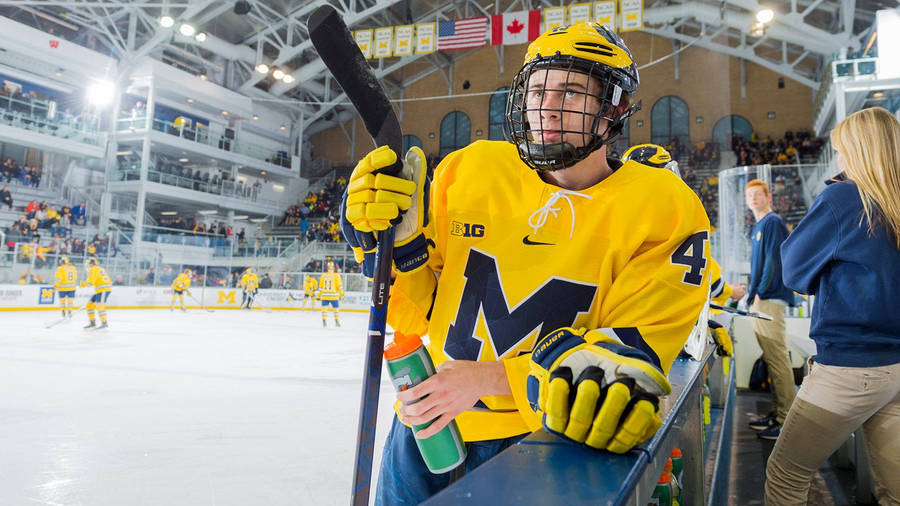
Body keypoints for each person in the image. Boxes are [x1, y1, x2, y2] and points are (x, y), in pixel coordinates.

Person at [341, 22, 711, 504]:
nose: (547, 108)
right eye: (537, 89)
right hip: (425, 428)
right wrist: (389, 248)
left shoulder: (664, 208)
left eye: (572, 90)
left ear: (615, 108)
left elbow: (620, 363)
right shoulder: (471, 169)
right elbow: (416, 313)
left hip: (545, 444)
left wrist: (487, 380)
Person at [765, 107, 900, 505]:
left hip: (850, 369)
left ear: (856, 153)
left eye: (842, 151)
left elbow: (792, 269)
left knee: (786, 473)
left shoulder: (843, 198)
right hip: (896, 368)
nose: (838, 160)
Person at [744, 178, 797, 439]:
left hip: (769, 299)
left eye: (758, 194)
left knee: (777, 360)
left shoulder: (773, 222)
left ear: (768, 198)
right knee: (772, 358)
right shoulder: (759, 226)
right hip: (761, 299)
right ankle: (777, 413)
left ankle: (786, 419)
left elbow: (773, 263)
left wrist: (759, 293)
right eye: (750, 195)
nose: (753, 198)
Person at [83, 257, 111, 329]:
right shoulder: (100, 268)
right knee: (89, 305)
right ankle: (92, 322)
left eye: (88, 264)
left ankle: (104, 322)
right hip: (100, 290)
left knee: (99, 305)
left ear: (92, 263)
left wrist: (83, 284)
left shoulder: (93, 269)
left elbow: (90, 282)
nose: (88, 266)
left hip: (103, 289)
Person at [317, 261, 343, 327]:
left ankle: (324, 321)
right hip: (334, 296)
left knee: (324, 310)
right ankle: (336, 322)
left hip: (324, 296)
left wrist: (319, 295)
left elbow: (320, 287)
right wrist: (341, 294)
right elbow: (339, 286)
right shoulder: (336, 275)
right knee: (336, 310)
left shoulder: (323, 275)